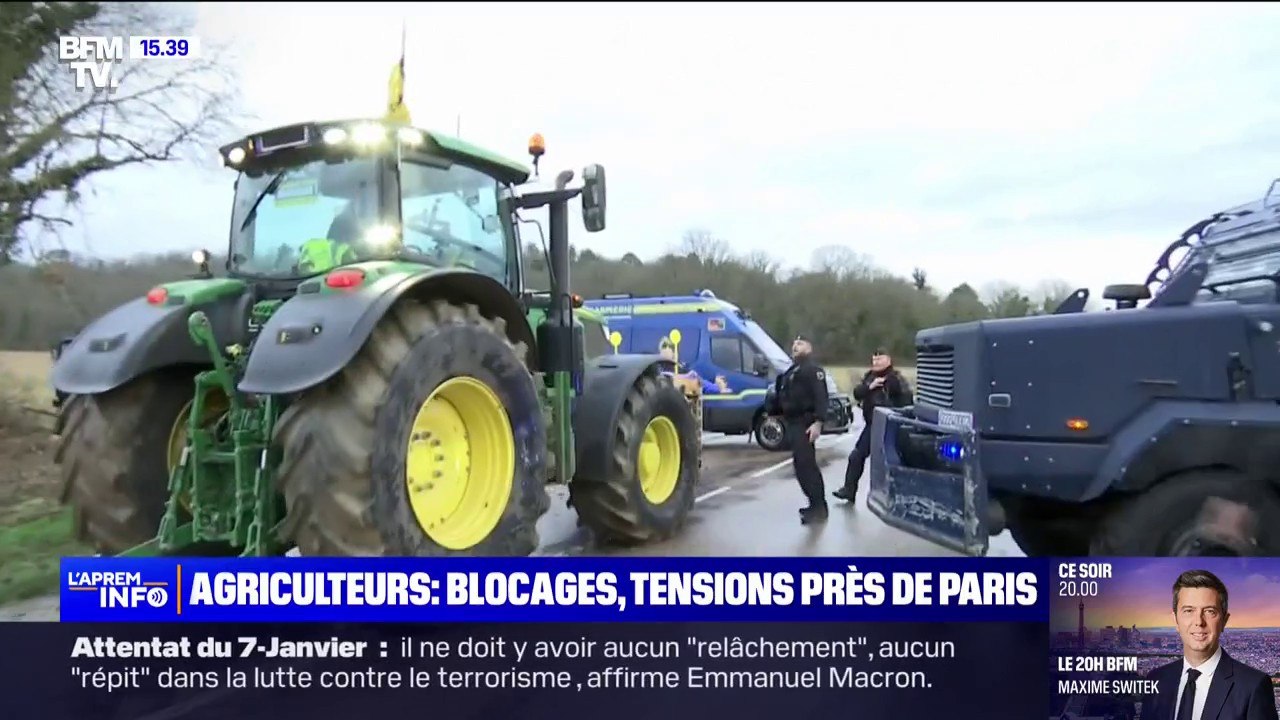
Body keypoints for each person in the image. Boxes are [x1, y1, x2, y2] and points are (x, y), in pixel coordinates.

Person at [1140, 569, 1277, 720]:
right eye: (1188, 611)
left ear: (1224, 620)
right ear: (1175, 620)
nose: (1199, 621)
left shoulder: (1253, 686)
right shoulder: (1156, 680)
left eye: (1209, 611)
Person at [834, 348, 912, 504]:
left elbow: (905, 399)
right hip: (872, 424)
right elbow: (857, 393)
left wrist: (889, 385)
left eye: (880, 359)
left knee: (892, 460)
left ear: (888, 360)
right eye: (874, 359)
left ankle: (900, 495)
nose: (876, 362)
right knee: (857, 455)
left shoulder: (896, 378)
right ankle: (849, 490)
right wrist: (870, 386)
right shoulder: (869, 377)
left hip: (891, 425)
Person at [774, 334, 829, 524]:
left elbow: (821, 397)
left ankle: (819, 507)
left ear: (810, 348)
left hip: (806, 423)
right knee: (800, 466)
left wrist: (818, 422)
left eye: (801, 343)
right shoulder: (793, 370)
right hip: (793, 423)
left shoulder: (813, 370)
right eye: (794, 343)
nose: (795, 346)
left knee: (807, 466)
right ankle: (813, 504)